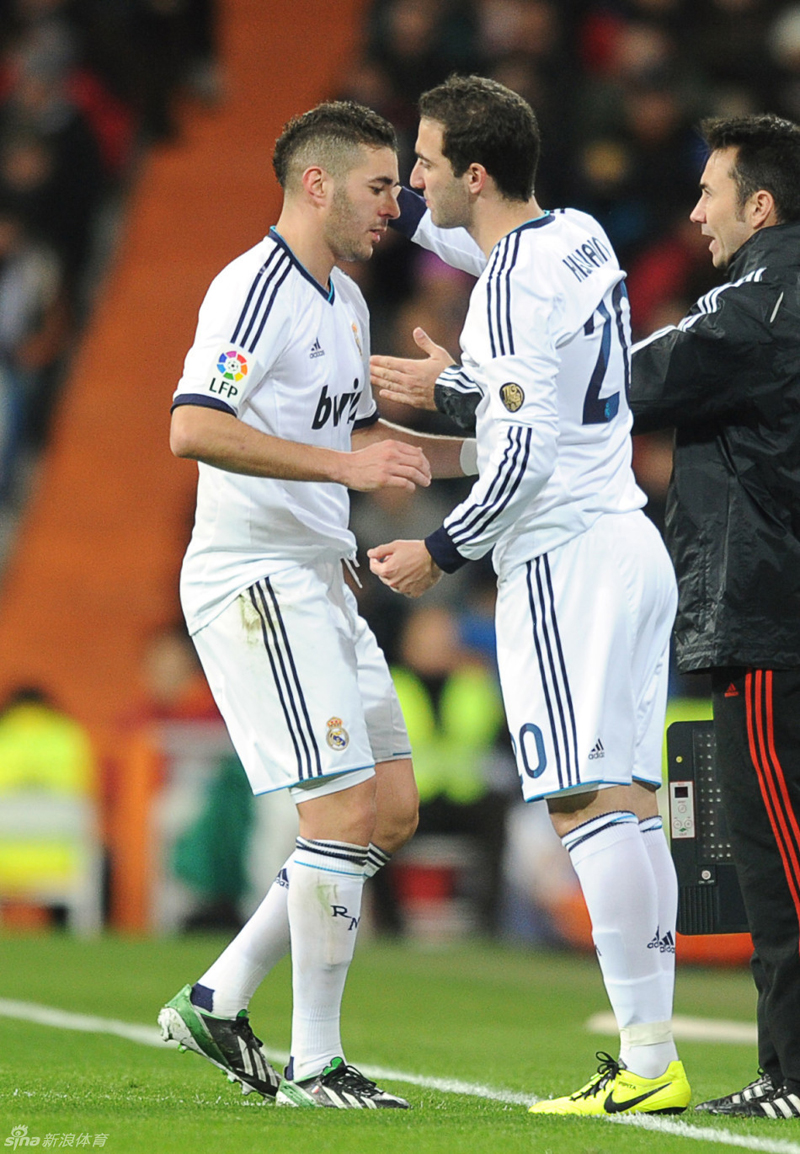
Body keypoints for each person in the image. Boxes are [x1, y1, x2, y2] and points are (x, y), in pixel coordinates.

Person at [367, 74, 690, 1116]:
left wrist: (440, 550)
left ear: (472, 172)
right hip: (626, 539)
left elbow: (518, 459)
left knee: (582, 799)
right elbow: (531, 388)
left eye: (421, 164)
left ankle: (645, 1060)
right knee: (630, 805)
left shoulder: (505, 286)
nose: (410, 183)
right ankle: (649, 1053)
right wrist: (459, 388)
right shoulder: (578, 236)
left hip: (563, 559)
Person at [159, 99, 471, 1110]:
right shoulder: (253, 290)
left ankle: (219, 994)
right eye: (382, 186)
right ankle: (316, 1060)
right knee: (336, 808)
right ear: (317, 183)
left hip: (318, 574)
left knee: (387, 809)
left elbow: (364, 438)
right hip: (256, 575)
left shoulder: (339, 299)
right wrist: (343, 463)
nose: (397, 204)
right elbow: (192, 424)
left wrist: (490, 447)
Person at [629, 114, 800, 1121]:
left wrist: (477, 392)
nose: (694, 210)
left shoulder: (762, 299)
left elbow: (635, 374)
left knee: (779, 859)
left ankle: (791, 1070)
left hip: (769, 619)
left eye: (709, 190)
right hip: (770, 615)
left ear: (760, 205)